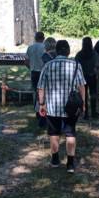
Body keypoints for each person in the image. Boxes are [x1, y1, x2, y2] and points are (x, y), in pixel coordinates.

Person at [37, 40, 86, 173]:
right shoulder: (76, 64)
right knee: (70, 133)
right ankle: (70, 163)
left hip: (52, 106)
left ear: (56, 51)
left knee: (54, 133)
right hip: (71, 107)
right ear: (68, 51)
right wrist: (83, 103)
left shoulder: (47, 65)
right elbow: (82, 86)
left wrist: (42, 104)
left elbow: (41, 87)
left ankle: (55, 159)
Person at [75, 37, 99, 119]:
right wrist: (96, 72)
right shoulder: (94, 54)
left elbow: (75, 65)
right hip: (92, 76)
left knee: (83, 96)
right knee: (93, 94)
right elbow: (98, 65)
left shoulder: (79, 54)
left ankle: (85, 113)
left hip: (82, 77)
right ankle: (93, 112)